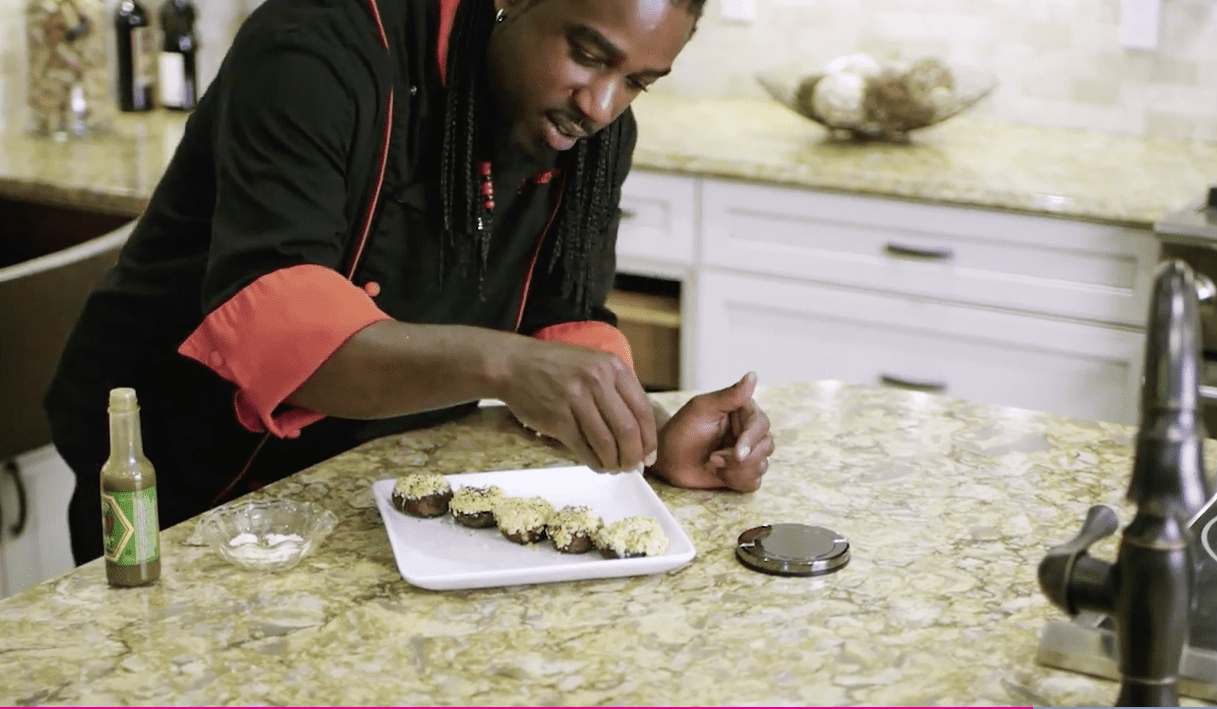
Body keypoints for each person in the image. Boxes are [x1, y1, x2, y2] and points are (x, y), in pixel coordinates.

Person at [45, 0, 774, 566]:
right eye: (588, 55)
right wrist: (505, 364)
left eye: (640, 82)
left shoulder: (591, 128)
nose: (603, 105)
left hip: (364, 489)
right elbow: (282, 332)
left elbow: (564, 316)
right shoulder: (316, 48)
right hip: (178, 475)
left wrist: (641, 443)